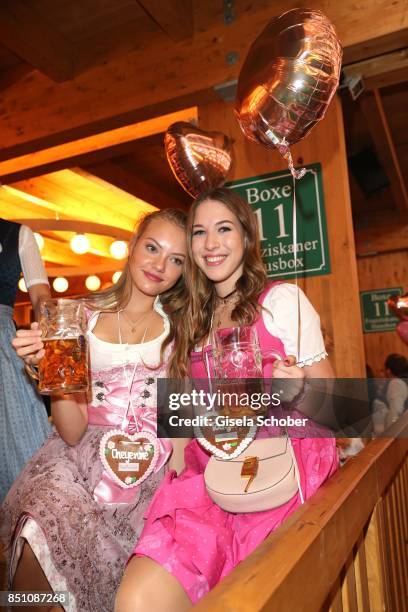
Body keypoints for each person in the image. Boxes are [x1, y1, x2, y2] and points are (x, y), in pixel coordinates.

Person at [116, 188, 339, 610]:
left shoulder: (282, 303)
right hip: (206, 481)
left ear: (246, 236)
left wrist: (300, 393)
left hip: (277, 475)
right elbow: (178, 420)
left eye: (224, 229)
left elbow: (337, 411)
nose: (211, 243)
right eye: (199, 232)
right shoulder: (186, 320)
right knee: (136, 600)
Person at [0, 209, 188, 612]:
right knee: (36, 544)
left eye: (177, 259)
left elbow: (180, 431)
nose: (160, 265)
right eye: (153, 248)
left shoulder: (182, 329)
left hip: (149, 468)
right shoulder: (78, 315)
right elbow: (71, 431)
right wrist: (59, 370)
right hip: (77, 457)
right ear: (133, 245)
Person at [0, 219, 51, 503]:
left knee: (19, 447)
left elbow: (40, 295)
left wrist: (49, 326)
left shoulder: (15, 234)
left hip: (2, 347)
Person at [372, 354, 408, 432]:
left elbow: (396, 411)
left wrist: (389, 434)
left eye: (383, 370)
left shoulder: (396, 383)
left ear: (388, 371)